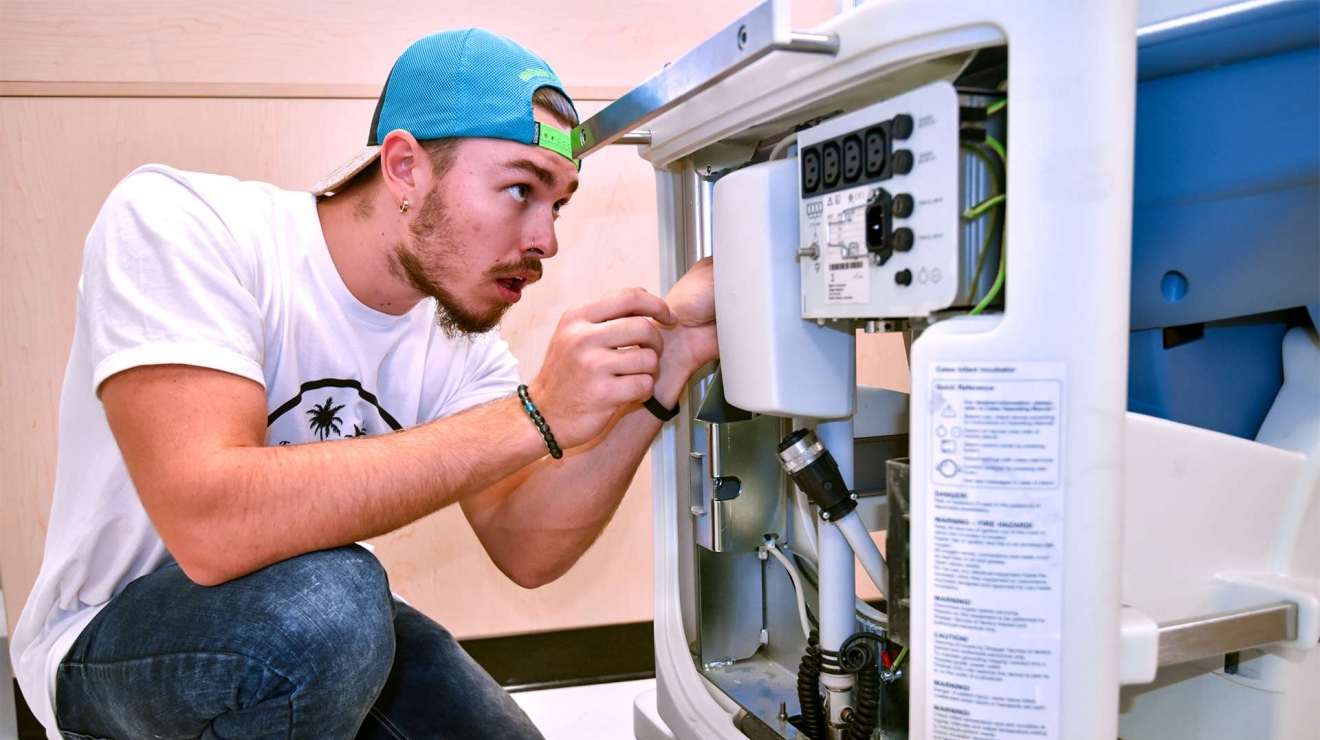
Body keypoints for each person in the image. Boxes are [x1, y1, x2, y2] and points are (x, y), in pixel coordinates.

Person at [10, 28, 717, 740]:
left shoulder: (457, 343)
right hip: (109, 643)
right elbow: (211, 528)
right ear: (405, 168)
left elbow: (527, 548)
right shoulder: (187, 224)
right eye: (519, 189)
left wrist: (663, 373)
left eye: (557, 203)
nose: (546, 240)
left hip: (320, 636)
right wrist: (535, 414)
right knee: (331, 604)